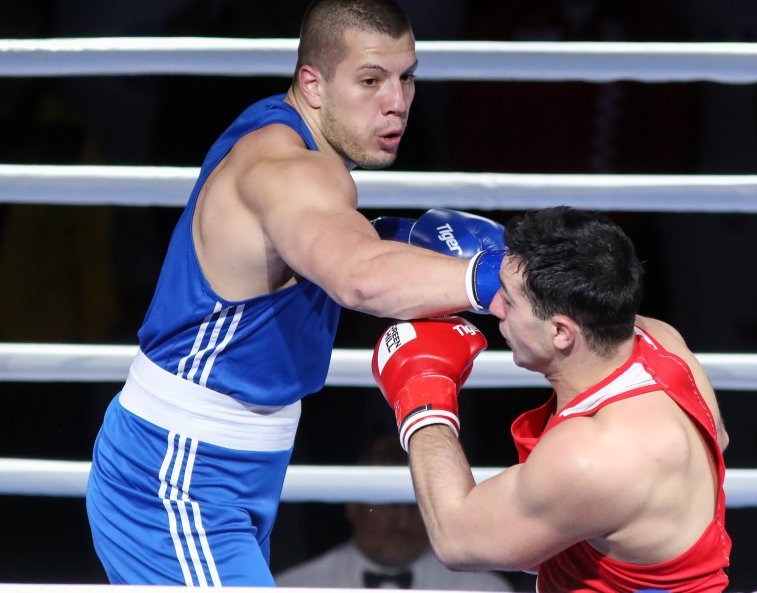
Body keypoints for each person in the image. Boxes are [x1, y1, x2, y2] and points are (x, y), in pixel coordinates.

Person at [85, 0, 506, 586]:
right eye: (370, 80)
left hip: (228, 462)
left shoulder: (280, 129)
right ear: (312, 83)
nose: (397, 102)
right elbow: (360, 277)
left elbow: (318, 248)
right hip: (180, 471)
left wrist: (390, 239)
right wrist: (496, 279)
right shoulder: (293, 170)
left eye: (407, 77)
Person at [372, 207, 732, 592]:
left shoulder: (592, 456)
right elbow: (719, 438)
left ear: (562, 332)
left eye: (509, 301)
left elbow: (457, 540)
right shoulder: (659, 340)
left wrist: (424, 400)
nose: (493, 307)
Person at [276, 435, 512, 590]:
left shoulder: (483, 589)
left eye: (414, 505)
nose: (401, 522)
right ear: (352, 504)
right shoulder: (296, 586)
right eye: (387, 503)